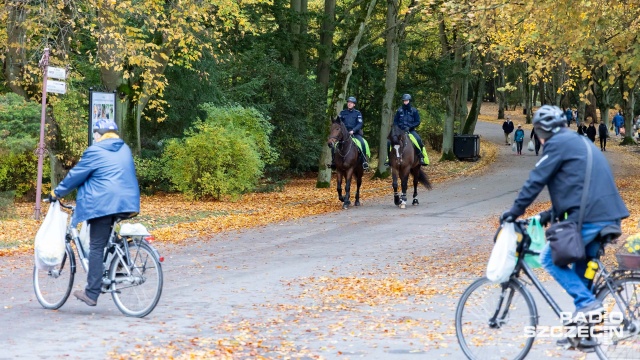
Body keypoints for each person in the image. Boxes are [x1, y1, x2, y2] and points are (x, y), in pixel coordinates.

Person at [500, 105, 629, 324]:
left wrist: (513, 212)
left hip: (591, 218)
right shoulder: (579, 142)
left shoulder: (557, 145)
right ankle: (582, 331)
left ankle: (588, 305)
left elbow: (535, 181)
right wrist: (548, 215)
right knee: (580, 277)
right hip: (605, 215)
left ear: (543, 131)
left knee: (548, 259)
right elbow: (578, 189)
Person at [50, 119, 140, 307]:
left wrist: (56, 193)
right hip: (127, 201)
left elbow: (77, 175)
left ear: (99, 135)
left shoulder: (95, 151)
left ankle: (91, 293)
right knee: (108, 238)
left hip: (104, 203)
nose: (94, 138)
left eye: (95, 135)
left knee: (97, 246)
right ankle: (119, 264)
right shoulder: (124, 149)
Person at [385, 94, 427, 166]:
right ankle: (389, 159)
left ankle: (421, 157)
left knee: (418, 140)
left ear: (409, 101)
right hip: (400, 131)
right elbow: (395, 122)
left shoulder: (414, 111)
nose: (405, 102)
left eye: (407, 101)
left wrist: (410, 127)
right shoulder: (399, 110)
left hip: (410, 131)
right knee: (389, 142)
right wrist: (397, 129)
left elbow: (417, 121)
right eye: (404, 101)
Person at [330, 96, 369, 170]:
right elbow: (338, 123)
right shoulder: (342, 112)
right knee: (334, 145)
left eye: (351, 103)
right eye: (348, 102)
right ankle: (333, 162)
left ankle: (364, 162)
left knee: (362, 143)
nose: (349, 104)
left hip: (355, 133)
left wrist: (353, 130)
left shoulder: (357, 113)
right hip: (344, 134)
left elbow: (360, 124)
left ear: (354, 104)